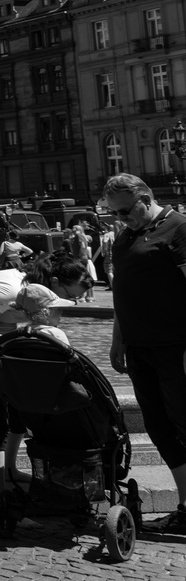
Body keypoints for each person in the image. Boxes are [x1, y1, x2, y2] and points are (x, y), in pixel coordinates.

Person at [0, 251, 87, 505]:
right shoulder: (12, 289)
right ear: (54, 282)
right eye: (70, 296)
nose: (71, 303)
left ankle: (10, 469)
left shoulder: (36, 294)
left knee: (18, 409)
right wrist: (2, 341)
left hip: (1, 344)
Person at [103, 173, 186, 534]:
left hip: (175, 346)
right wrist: (118, 339)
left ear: (146, 197)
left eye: (125, 212)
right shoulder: (126, 237)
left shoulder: (178, 228)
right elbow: (124, 292)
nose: (122, 219)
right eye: (115, 215)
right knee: (160, 427)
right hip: (140, 347)